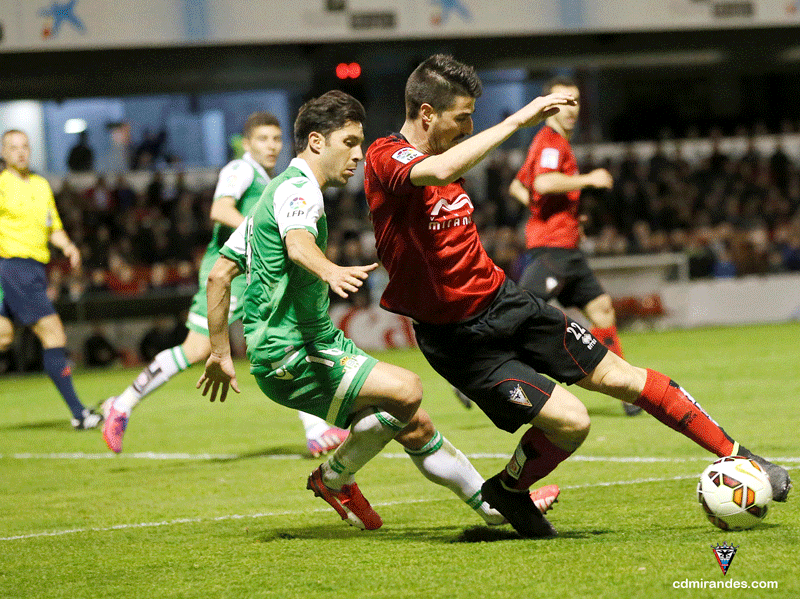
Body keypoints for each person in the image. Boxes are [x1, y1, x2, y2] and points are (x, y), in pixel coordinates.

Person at [363, 54, 791, 537]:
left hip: (507, 302)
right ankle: (508, 490)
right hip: (459, 339)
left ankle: (737, 455)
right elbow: (438, 172)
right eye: (462, 117)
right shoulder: (385, 156)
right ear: (426, 114)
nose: (468, 127)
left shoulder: (448, 156)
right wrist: (520, 118)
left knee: (623, 376)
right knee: (572, 422)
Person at [197, 90, 559, 531]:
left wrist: (219, 352)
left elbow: (219, 275)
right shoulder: (299, 191)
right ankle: (334, 477)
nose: (359, 154)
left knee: (415, 424)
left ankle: (496, 509)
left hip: (313, 343)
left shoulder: (272, 194)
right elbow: (297, 244)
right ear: (316, 143)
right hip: (290, 351)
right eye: (349, 142)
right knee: (406, 390)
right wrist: (328, 268)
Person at [102, 113, 350, 458]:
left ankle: (317, 430)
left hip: (253, 274)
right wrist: (261, 231)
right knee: (197, 350)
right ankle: (122, 404)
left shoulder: (269, 178)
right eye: (263, 139)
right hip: (226, 271)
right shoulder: (240, 170)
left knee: (289, 335)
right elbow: (219, 209)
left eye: (276, 139)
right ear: (247, 143)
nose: (272, 146)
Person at [508, 75, 642, 416]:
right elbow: (543, 182)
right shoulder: (551, 143)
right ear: (548, 106)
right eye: (563, 102)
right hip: (552, 250)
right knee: (521, 317)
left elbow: (518, 186)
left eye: (576, 101)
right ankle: (475, 374)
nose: (571, 109)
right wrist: (588, 179)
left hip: (565, 247)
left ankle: (627, 391)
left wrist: (557, 213)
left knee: (602, 309)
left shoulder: (548, 142)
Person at [0, 129, 102, 429]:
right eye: (13, 148)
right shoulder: (2, 185)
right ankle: (79, 413)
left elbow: (51, 226)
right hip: (13, 267)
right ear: (3, 153)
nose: (20, 152)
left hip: (32, 269)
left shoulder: (41, 185)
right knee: (54, 334)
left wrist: (68, 245)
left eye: (25, 147)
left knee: (4, 337)